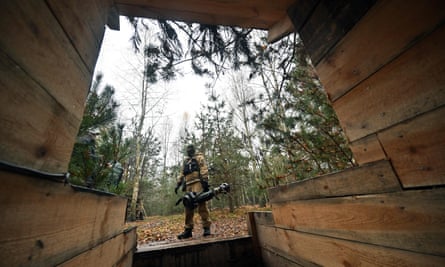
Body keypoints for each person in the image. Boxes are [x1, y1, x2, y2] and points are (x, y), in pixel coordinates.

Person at [175, 144, 211, 239]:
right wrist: (178, 183)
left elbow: (203, 168)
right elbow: (182, 172)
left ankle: (206, 227)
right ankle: (188, 229)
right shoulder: (186, 161)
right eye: (187, 149)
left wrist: (205, 180)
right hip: (188, 185)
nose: (189, 151)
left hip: (198, 183)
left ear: (194, 150)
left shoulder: (199, 158)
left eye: (190, 149)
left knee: (202, 204)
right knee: (188, 207)